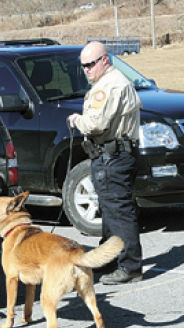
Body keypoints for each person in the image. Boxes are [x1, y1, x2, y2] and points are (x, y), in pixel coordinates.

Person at [67, 41, 143, 284]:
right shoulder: (108, 82)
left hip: (114, 156)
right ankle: (109, 258)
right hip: (111, 154)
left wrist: (77, 120)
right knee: (110, 211)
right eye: (83, 66)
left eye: (90, 64)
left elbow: (95, 123)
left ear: (104, 60)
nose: (87, 70)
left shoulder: (110, 85)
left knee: (119, 212)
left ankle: (129, 267)